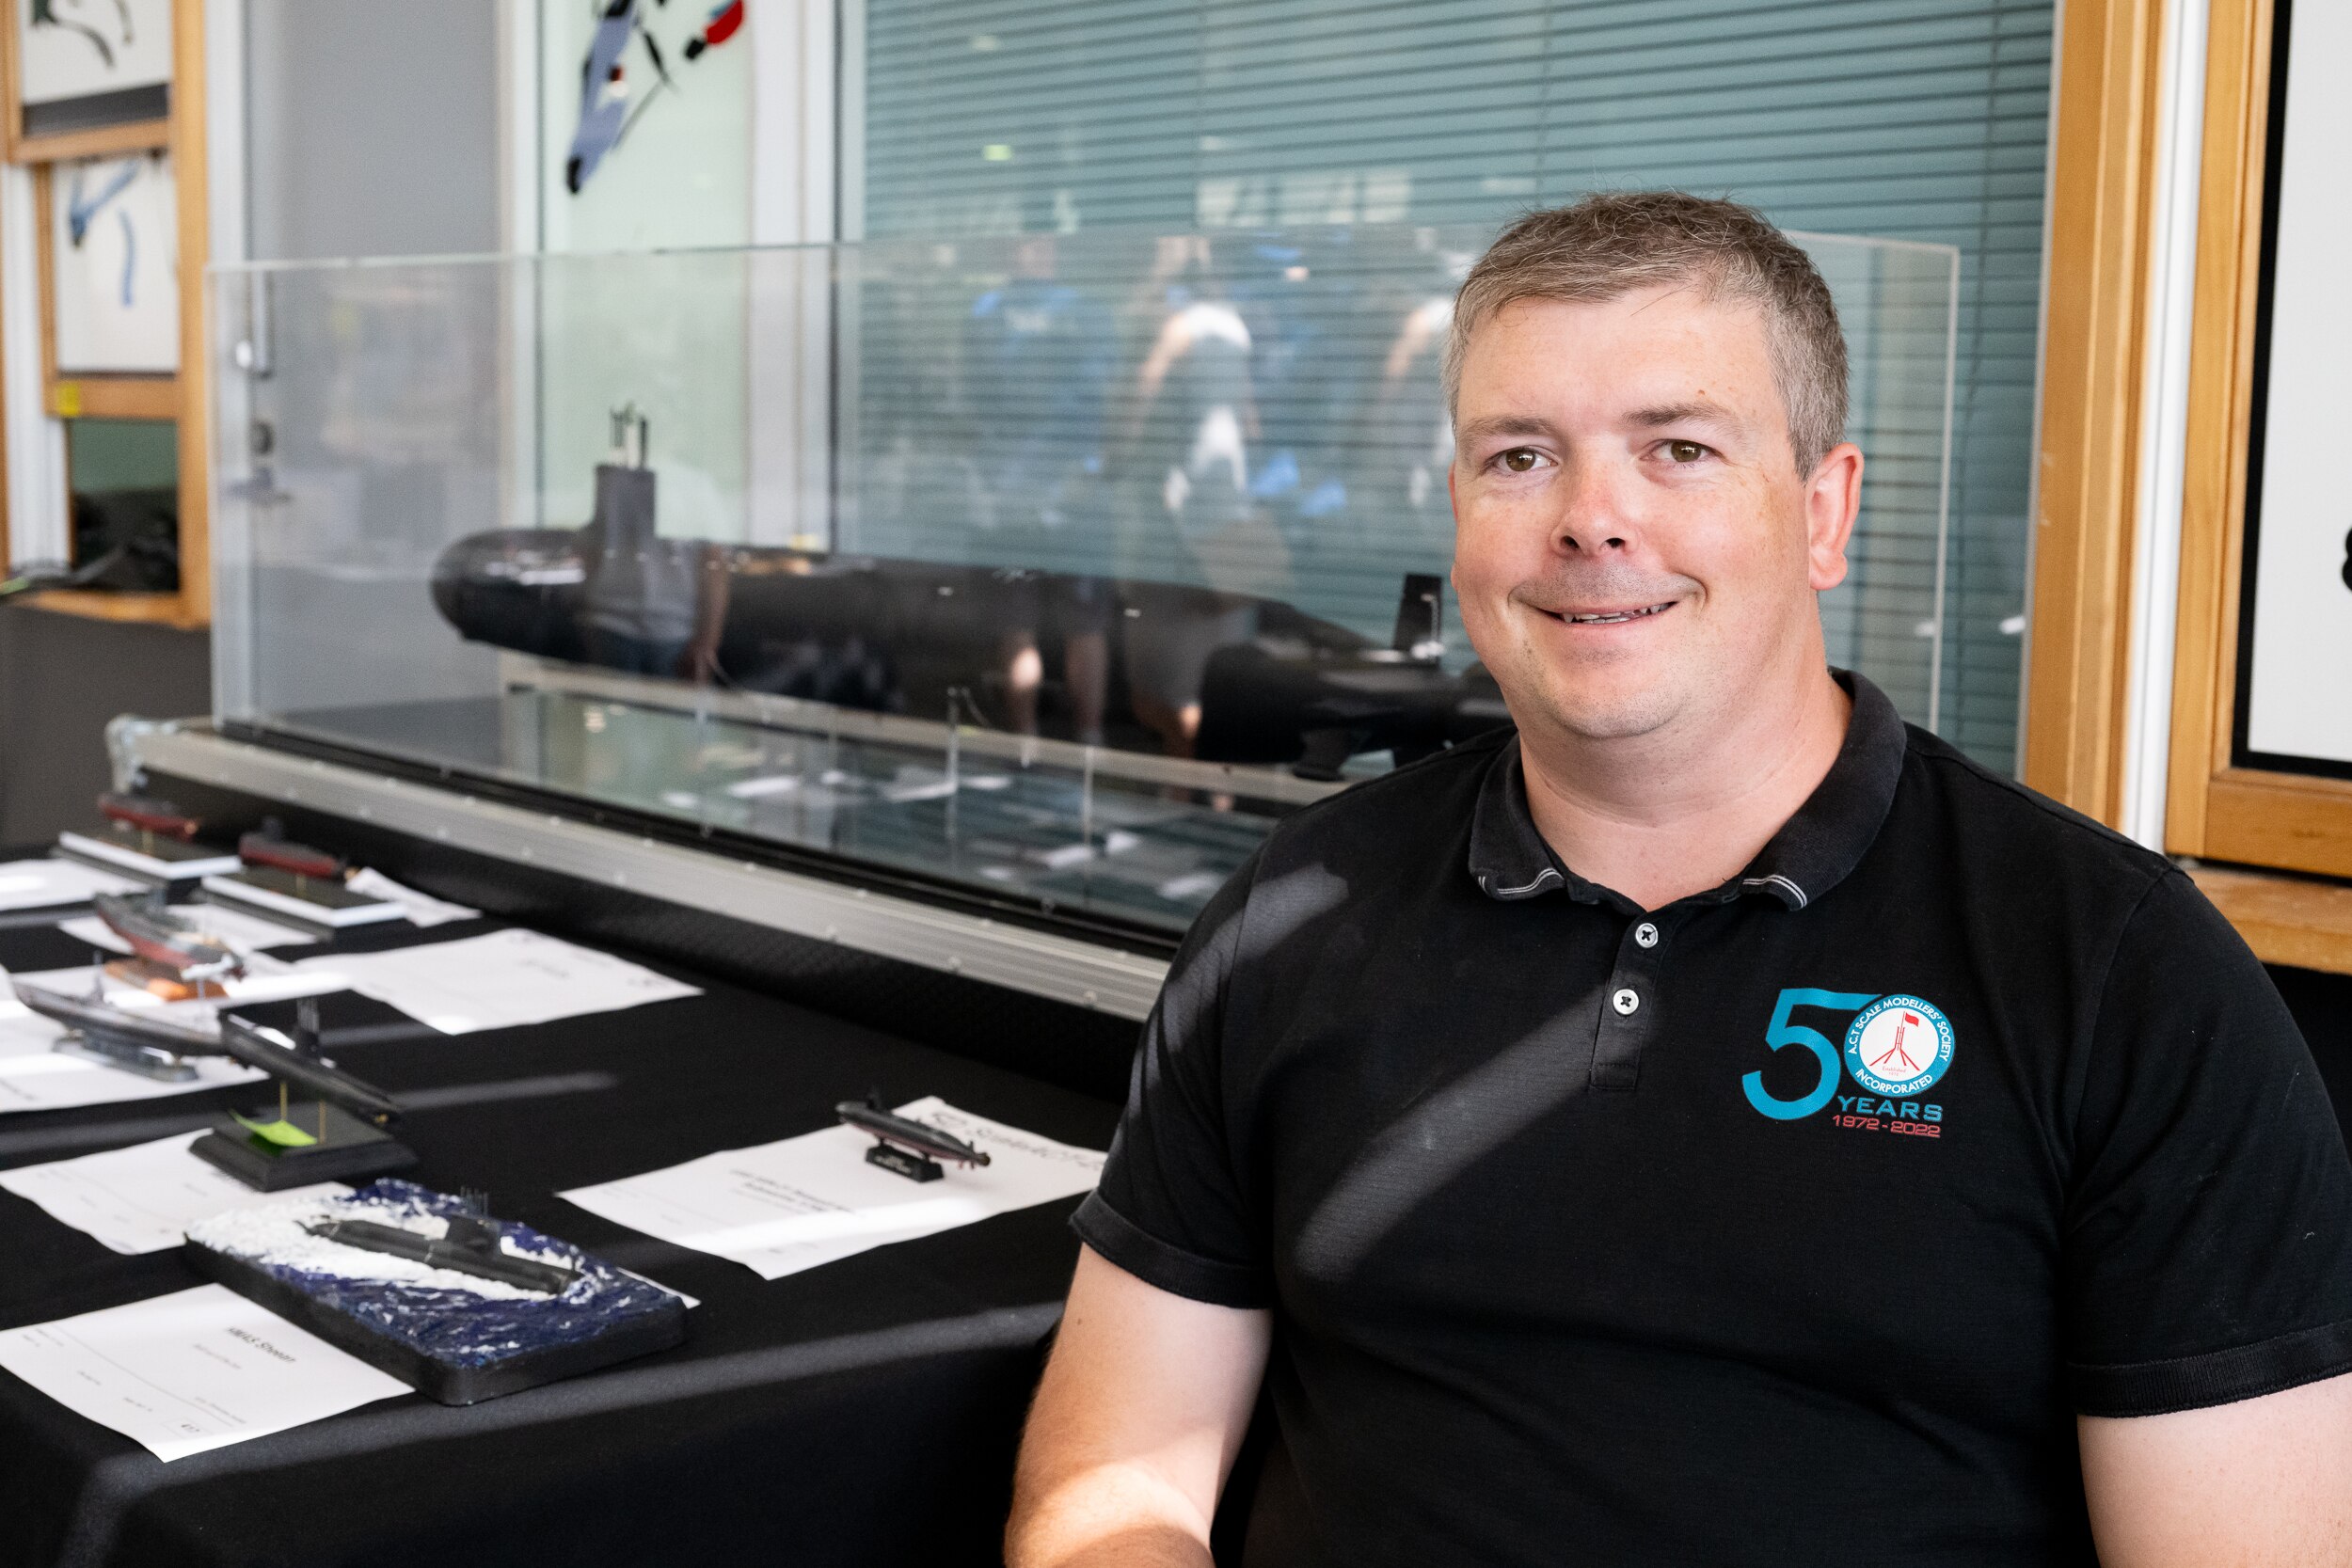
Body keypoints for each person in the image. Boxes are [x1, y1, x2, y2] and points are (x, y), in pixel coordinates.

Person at [1004, 193, 2352, 1566]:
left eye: (1681, 449)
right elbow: (1112, 1485)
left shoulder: (2118, 972)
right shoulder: (1292, 917)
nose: (1594, 520)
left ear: (1824, 512)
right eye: (1522, 458)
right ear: (1460, 512)